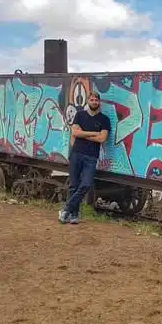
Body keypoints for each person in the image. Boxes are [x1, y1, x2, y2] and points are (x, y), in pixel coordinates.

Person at [58, 91, 110, 224]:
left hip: (91, 157)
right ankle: (73, 215)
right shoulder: (80, 115)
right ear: (88, 101)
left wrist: (82, 134)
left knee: (86, 184)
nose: (94, 102)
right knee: (73, 185)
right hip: (77, 154)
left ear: (99, 102)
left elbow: (102, 138)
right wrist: (93, 133)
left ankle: (66, 209)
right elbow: (74, 132)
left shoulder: (104, 119)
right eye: (91, 100)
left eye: (96, 100)